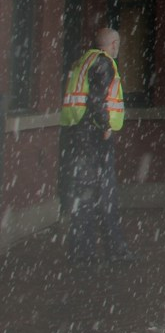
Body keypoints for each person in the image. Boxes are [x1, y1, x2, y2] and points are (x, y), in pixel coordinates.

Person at [60, 27, 133, 264]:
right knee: (106, 193)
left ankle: (82, 251)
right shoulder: (104, 64)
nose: (118, 48)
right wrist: (105, 126)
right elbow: (96, 99)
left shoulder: (84, 60)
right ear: (112, 44)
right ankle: (114, 250)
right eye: (118, 44)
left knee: (84, 195)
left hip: (78, 134)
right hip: (94, 137)